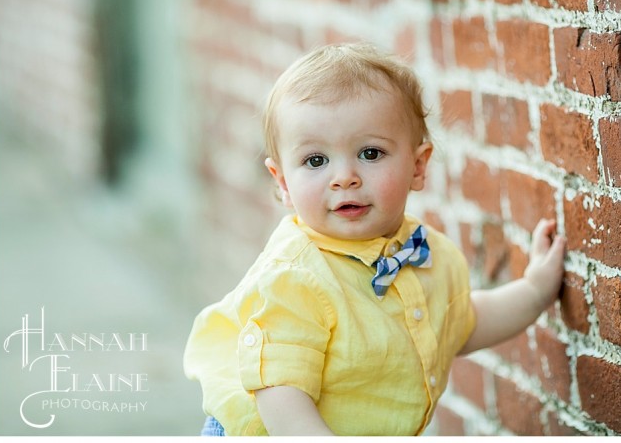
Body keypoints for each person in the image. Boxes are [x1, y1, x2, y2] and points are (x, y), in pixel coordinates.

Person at [183, 44, 566, 435]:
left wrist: (535, 291)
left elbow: (461, 323)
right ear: (282, 182)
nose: (344, 176)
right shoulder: (293, 278)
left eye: (370, 153)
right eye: (316, 160)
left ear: (418, 167)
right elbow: (281, 397)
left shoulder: (423, 253)